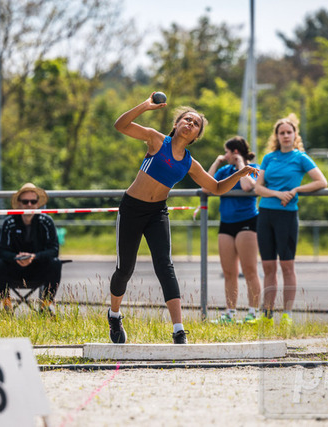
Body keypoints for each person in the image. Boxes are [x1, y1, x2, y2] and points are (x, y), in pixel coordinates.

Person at [109, 93, 258, 344]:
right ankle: (114, 315)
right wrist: (146, 106)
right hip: (132, 209)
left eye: (195, 123)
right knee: (125, 269)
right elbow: (120, 125)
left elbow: (216, 188)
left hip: (157, 212)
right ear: (177, 124)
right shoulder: (156, 140)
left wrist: (240, 173)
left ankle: (179, 330)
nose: (190, 124)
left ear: (196, 135)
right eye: (186, 119)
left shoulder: (190, 163)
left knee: (165, 266)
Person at [254, 114, 328, 326]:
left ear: (295, 135)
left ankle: (286, 314)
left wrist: (296, 190)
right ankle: (267, 315)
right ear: (277, 136)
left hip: (286, 216)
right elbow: (258, 187)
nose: (285, 136)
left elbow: (321, 182)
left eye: (289, 132)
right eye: (282, 133)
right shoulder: (269, 158)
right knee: (268, 267)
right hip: (265, 214)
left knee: (287, 266)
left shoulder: (301, 158)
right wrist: (277, 193)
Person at [205, 136, 261, 325]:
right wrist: (217, 162)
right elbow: (206, 188)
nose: (225, 155)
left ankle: (253, 312)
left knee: (249, 270)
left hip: (247, 222)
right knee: (229, 272)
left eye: (227, 152)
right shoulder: (225, 171)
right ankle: (230, 313)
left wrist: (240, 165)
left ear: (235, 152)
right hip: (226, 223)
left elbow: (247, 186)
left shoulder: (254, 169)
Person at [0, 183, 62, 314]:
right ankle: (6, 305)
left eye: (33, 201)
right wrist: (16, 258)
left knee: (55, 263)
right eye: (25, 202)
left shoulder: (47, 221)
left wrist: (34, 257)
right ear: (19, 203)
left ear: (38, 204)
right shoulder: (9, 222)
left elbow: (54, 250)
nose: (29, 205)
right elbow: (1, 251)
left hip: (38, 269)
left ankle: (46, 306)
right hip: (14, 269)